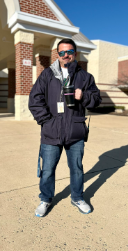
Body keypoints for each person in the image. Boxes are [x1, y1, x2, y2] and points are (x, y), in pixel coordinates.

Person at [29, 38, 101, 217]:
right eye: (62, 52)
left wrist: (83, 96)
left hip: (75, 132)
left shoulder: (85, 77)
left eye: (69, 52)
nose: (65, 55)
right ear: (57, 55)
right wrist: (46, 120)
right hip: (51, 131)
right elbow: (35, 99)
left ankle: (77, 197)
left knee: (76, 168)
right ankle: (45, 199)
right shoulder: (47, 74)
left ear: (74, 54)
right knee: (47, 170)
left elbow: (96, 101)